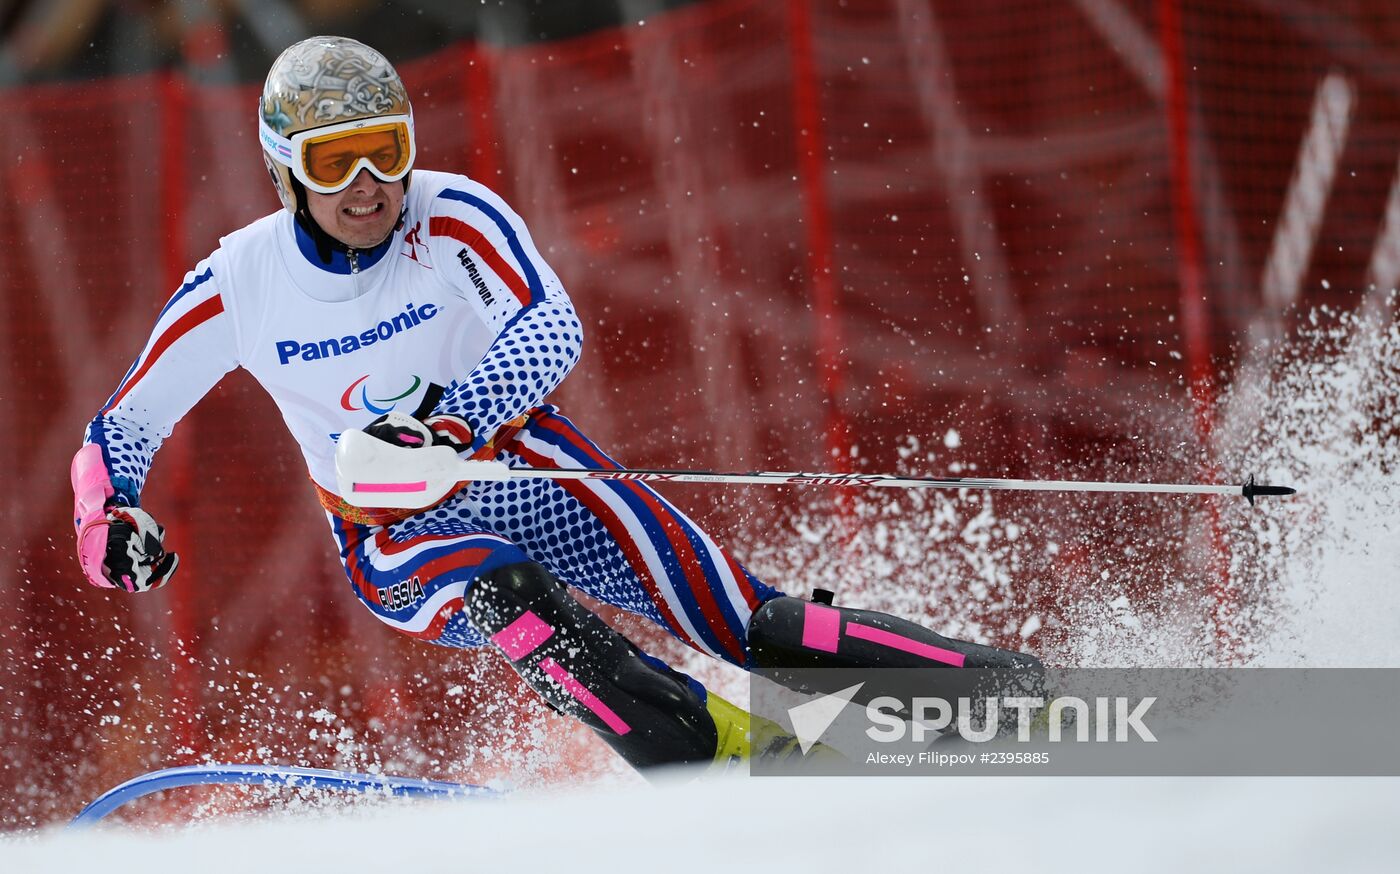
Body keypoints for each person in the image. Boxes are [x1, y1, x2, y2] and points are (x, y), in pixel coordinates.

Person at [70, 36, 1041, 773]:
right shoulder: (239, 281)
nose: (369, 188)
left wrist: (452, 423)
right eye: (334, 164)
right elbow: (121, 428)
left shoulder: (451, 215)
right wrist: (104, 521)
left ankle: (1036, 704)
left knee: (752, 623)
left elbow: (547, 327)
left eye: (385, 152)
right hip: (395, 535)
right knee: (513, 603)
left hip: (531, 470)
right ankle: (737, 763)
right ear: (285, 170)